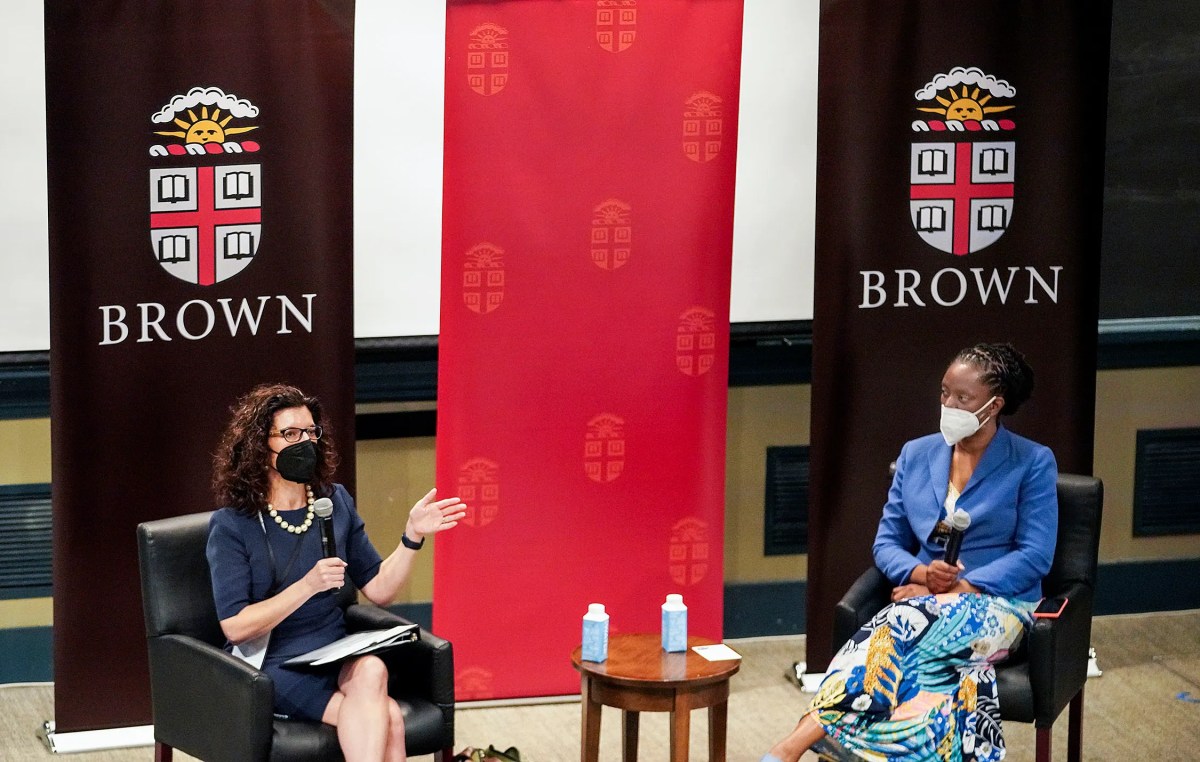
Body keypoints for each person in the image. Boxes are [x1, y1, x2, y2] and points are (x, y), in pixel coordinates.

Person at [763, 343, 1058, 762]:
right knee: (925, 669)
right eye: (944, 393)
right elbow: (885, 544)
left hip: (1002, 605)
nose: (949, 404)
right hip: (924, 603)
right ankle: (896, 748)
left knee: (895, 625)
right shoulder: (916, 455)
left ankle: (792, 745)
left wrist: (961, 588)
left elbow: (1035, 555)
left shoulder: (1031, 462)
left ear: (994, 405)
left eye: (963, 398)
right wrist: (922, 577)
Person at [207, 383, 466, 762]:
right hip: (273, 664)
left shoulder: (334, 501)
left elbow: (380, 589)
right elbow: (235, 626)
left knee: (373, 668)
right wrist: (307, 585)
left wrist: (412, 536)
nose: (305, 442)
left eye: (311, 432)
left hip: (333, 652)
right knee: (389, 717)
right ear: (260, 446)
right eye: (290, 434)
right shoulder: (234, 525)